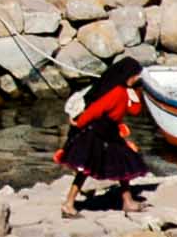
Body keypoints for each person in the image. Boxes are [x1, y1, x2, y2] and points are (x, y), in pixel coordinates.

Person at [58, 58, 147, 218]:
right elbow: (94, 111)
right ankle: (69, 203)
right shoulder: (115, 92)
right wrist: (78, 123)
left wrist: (134, 94)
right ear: (128, 75)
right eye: (135, 76)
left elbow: (134, 110)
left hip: (110, 132)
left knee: (123, 165)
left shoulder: (124, 91)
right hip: (97, 133)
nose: (136, 79)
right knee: (86, 168)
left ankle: (127, 201)